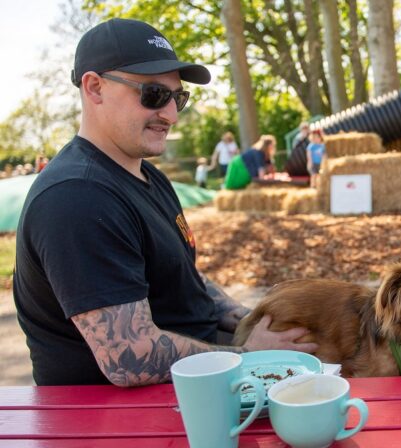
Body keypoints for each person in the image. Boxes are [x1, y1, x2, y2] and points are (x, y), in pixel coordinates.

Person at [13, 18, 316, 387]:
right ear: (94, 88)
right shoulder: (76, 198)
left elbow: (180, 278)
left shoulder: (145, 175)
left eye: (178, 97)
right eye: (154, 94)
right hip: (118, 419)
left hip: (192, 378)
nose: (171, 114)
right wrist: (252, 357)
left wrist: (248, 319)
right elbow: (129, 357)